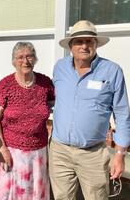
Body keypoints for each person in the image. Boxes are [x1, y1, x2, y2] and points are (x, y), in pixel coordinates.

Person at [49, 20, 130, 200]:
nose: (84, 46)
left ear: (96, 44)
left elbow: (123, 114)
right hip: (59, 152)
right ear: (71, 46)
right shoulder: (60, 68)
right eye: (79, 41)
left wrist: (119, 154)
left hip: (93, 154)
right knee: (62, 197)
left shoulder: (112, 71)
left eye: (89, 41)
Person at [0, 42, 54, 200]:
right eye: (20, 57)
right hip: (11, 152)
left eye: (29, 56)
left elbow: (57, 108)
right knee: (11, 193)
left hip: (39, 153)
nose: (25, 61)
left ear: (35, 59)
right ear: (13, 61)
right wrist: (2, 148)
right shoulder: (5, 85)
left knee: (36, 193)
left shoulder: (45, 84)